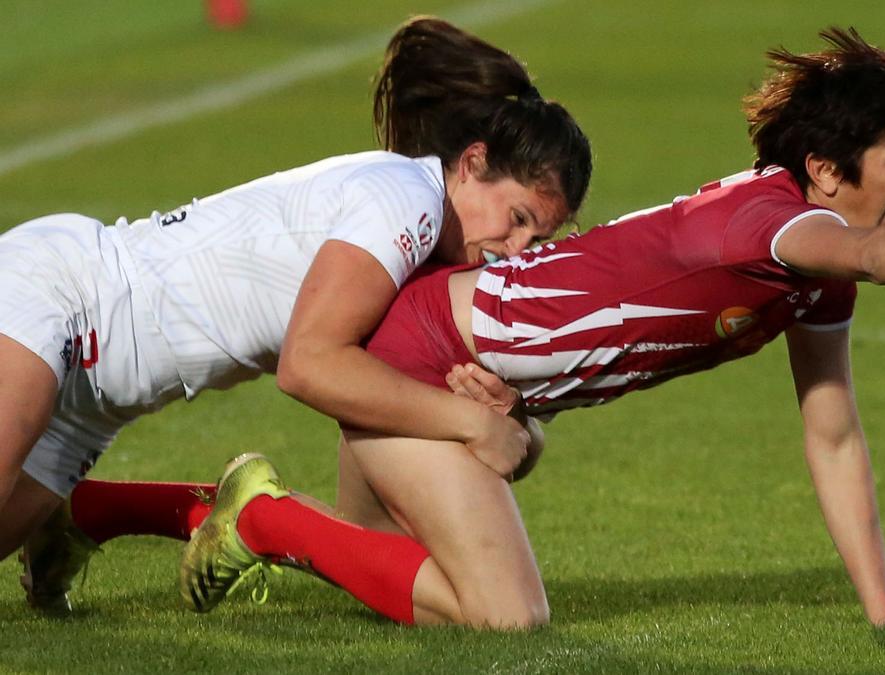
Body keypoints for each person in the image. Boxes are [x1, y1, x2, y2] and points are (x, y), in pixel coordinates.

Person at [28, 27, 885, 630]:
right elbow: (872, 252)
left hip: (459, 376)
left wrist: (884, 615)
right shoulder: (778, 224)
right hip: (419, 357)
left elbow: (833, 434)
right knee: (503, 619)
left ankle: (133, 510)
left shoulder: (814, 270)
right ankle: (254, 520)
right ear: (826, 171)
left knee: (381, 573)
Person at [4, 15, 592, 613]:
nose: (516, 250)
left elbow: (437, 433)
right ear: (470, 164)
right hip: (64, 297)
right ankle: (244, 515)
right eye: (516, 218)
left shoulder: (429, 258)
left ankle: (83, 514)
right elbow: (308, 365)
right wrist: (471, 424)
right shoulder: (408, 201)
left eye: (535, 240)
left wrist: (510, 416)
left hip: (95, 409)